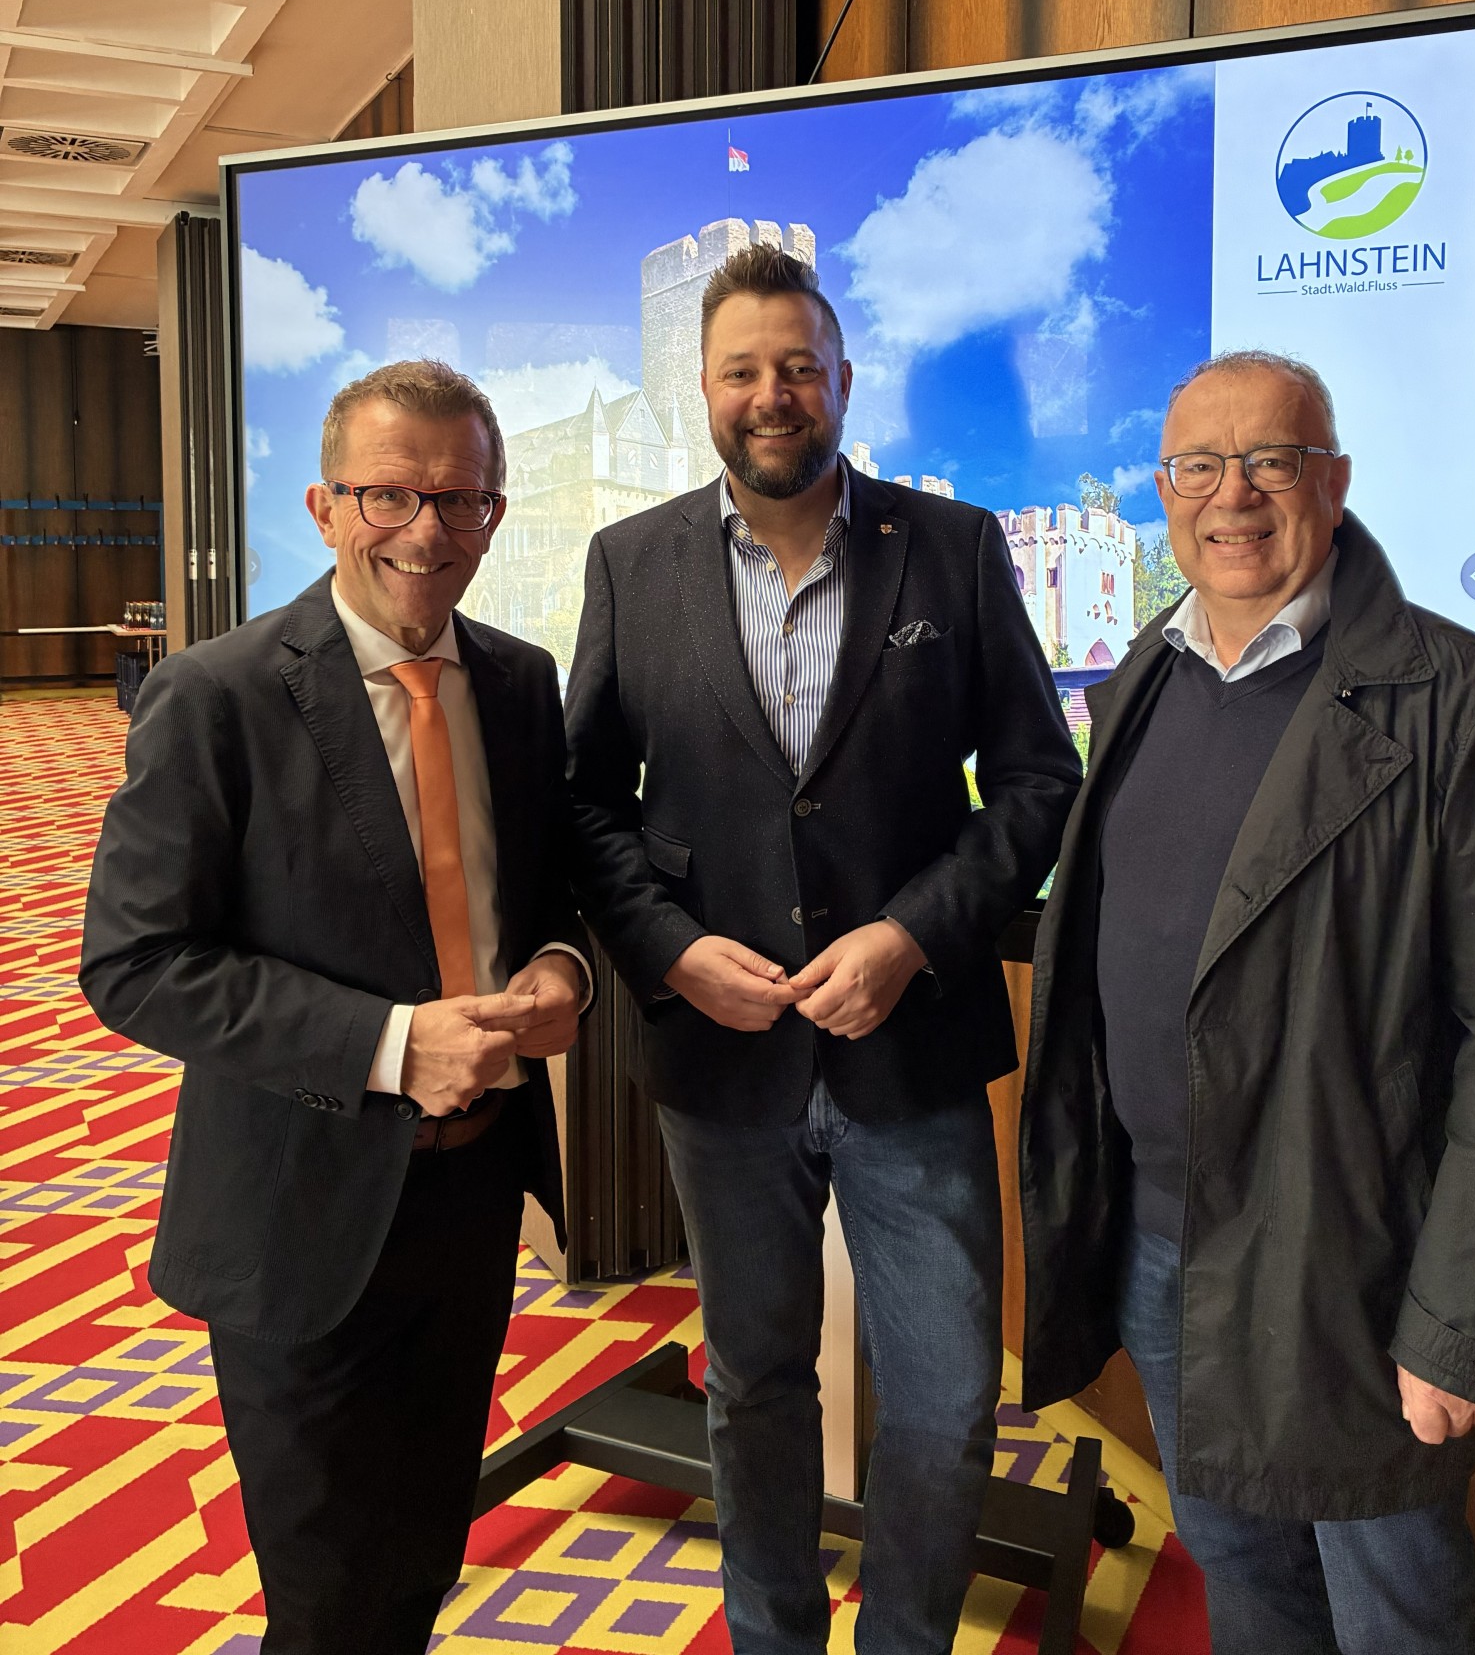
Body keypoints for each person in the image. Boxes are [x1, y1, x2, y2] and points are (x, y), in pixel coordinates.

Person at [1019, 348, 1475, 1655]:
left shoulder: (1459, 705)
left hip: (1350, 1271)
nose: (1231, 494)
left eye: (1270, 461)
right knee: (1243, 1577)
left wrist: (1462, 1328)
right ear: (1161, 492)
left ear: (1331, 483)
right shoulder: (1145, 676)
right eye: (1197, 466)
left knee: (1396, 1610)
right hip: (1162, 1248)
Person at [565, 243, 1081, 1655]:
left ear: (844, 379)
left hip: (911, 1049)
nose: (773, 394)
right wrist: (670, 952)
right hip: (721, 1062)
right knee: (753, 1383)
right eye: (743, 370)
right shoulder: (631, 563)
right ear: (703, 389)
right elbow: (585, 804)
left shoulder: (954, 547)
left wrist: (913, 935)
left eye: (798, 366)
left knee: (946, 1399)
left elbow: (1037, 781)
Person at [80, 361, 592, 1655]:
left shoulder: (519, 683)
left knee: (419, 1556)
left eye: (463, 499)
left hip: (473, 1196)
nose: (428, 529)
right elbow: (134, 962)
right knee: (324, 1604)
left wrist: (561, 969)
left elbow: (548, 894)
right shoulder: (217, 694)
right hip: (297, 1208)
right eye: (390, 494)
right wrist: (390, 1046)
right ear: (324, 507)